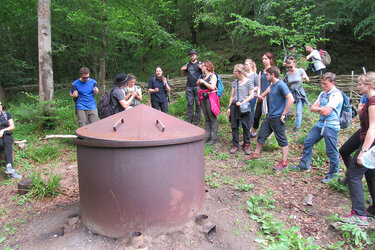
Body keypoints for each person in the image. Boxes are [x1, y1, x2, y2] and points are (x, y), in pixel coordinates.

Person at [292, 72, 343, 183]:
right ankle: (304, 165)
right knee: (308, 141)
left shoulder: (337, 95)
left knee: (331, 150)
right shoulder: (322, 93)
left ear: (332, 83)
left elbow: (326, 112)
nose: (323, 86)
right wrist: (321, 108)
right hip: (320, 124)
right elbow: (312, 108)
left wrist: (319, 108)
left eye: (325, 84)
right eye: (322, 83)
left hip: (331, 125)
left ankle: (333, 175)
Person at [341, 72, 375, 226]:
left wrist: (363, 152)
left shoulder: (373, 102)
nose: (358, 86)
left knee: (354, 174)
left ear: (370, 85)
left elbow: (373, 128)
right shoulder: (368, 101)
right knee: (369, 172)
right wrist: (361, 109)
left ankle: (359, 215)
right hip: (364, 135)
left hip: (370, 140)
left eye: (361, 84)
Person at [244, 66, 294, 170]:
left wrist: (284, 114)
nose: (265, 76)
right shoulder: (273, 84)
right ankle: (256, 154)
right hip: (270, 115)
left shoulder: (281, 85)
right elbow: (269, 88)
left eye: (267, 74)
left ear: (273, 75)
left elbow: (291, 99)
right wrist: (262, 95)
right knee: (262, 133)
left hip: (277, 117)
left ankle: (284, 162)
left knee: (281, 139)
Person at [227, 64, 255, 155]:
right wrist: (229, 107)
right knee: (234, 126)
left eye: (234, 71)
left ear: (239, 72)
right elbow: (232, 96)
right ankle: (235, 144)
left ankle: (246, 144)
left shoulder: (248, 82)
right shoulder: (235, 82)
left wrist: (243, 102)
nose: (233, 73)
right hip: (235, 106)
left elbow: (252, 95)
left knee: (246, 126)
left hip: (244, 107)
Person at [339, 95, 368, 171]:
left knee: (368, 164)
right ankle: (351, 176)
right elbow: (360, 110)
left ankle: (353, 178)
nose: (358, 87)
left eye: (361, 84)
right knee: (344, 151)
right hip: (363, 130)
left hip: (371, 133)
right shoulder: (366, 95)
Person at [284, 58, 310, 135]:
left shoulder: (300, 71)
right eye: (288, 67)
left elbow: (307, 79)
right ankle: (282, 124)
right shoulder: (287, 74)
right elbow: (285, 84)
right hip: (290, 93)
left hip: (299, 93)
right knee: (286, 109)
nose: (289, 68)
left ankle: (297, 127)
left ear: (294, 65)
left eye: (290, 67)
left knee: (298, 111)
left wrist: (304, 77)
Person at [250, 52, 273, 138]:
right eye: (263, 59)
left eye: (266, 59)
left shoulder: (273, 70)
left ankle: (269, 134)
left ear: (270, 60)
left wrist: (263, 95)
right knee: (257, 115)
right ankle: (254, 130)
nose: (264, 60)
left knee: (269, 115)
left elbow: (271, 86)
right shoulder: (261, 72)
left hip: (270, 96)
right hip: (261, 96)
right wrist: (259, 94)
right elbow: (259, 85)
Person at [197, 61, 220, 145]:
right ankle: (207, 135)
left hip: (210, 98)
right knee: (206, 117)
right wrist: (199, 84)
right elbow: (202, 87)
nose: (201, 67)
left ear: (206, 67)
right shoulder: (203, 76)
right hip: (203, 97)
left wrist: (204, 82)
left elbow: (212, 87)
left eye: (202, 66)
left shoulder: (213, 76)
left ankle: (214, 137)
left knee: (212, 117)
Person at [0, 102, 21, 179]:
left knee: (8, 142)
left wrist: (3, 130)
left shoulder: (6, 114)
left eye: (0, 105)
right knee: (2, 145)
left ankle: (9, 166)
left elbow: (12, 126)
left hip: (6, 134)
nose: (0, 107)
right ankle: (10, 167)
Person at [181, 49, 202, 125]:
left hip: (197, 86)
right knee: (190, 103)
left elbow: (205, 73)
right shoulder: (188, 64)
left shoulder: (200, 64)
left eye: (193, 55)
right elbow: (183, 74)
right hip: (189, 86)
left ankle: (197, 120)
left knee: (198, 104)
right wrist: (182, 70)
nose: (192, 57)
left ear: (196, 55)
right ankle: (190, 119)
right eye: (191, 55)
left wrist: (201, 68)